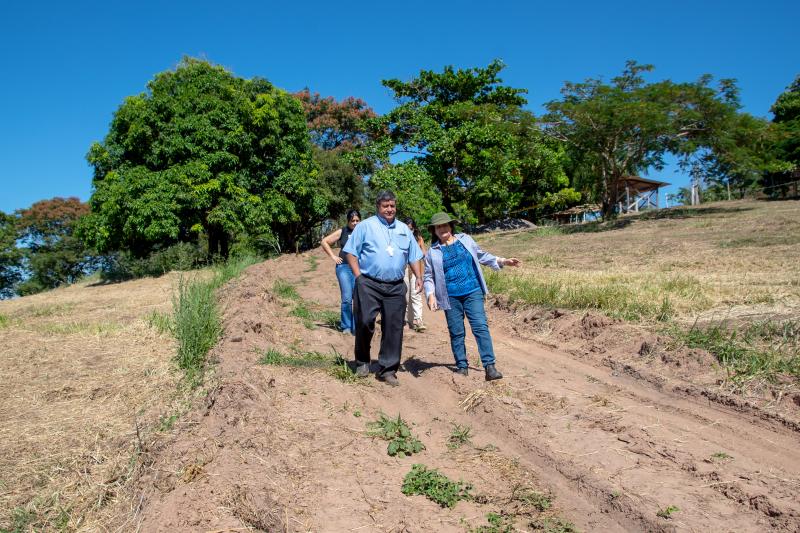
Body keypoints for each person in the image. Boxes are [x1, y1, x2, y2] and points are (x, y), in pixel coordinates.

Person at [423, 212, 520, 381]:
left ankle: (490, 366)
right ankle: (462, 366)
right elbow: (428, 276)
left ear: (451, 226)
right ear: (434, 231)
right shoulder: (432, 252)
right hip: (450, 296)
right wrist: (430, 295)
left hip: (472, 291)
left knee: (480, 327)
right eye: (438, 227)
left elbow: (481, 255)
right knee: (456, 332)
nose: (442, 228)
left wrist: (503, 261)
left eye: (445, 225)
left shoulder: (465, 239)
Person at [342, 191, 423, 387]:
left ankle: (388, 369)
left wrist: (419, 276)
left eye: (392, 206)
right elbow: (350, 253)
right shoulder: (365, 226)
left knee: (394, 327)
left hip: (395, 286)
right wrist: (358, 277)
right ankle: (362, 361)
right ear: (378, 207)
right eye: (385, 206)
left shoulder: (404, 229)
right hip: (368, 282)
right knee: (364, 321)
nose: (389, 209)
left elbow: (414, 256)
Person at [320, 209, 361, 334]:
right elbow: (324, 242)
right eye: (352, 221)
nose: (355, 223)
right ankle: (346, 327)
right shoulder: (342, 231)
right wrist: (333, 256)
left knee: (358, 298)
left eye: (357, 220)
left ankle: (356, 327)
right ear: (348, 221)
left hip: (359, 269)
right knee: (347, 298)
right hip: (343, 267)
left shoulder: (363, 232)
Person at [403, 217, 427, 333]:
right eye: (407, 228)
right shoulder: (400, 238)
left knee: (416, 294)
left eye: (411, 229)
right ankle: (406, 320)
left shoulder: (418, 238)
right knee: (405, 296)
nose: (409, 231)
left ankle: (418, 320)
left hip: (416, 270)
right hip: (403, 270)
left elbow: (424, 253)